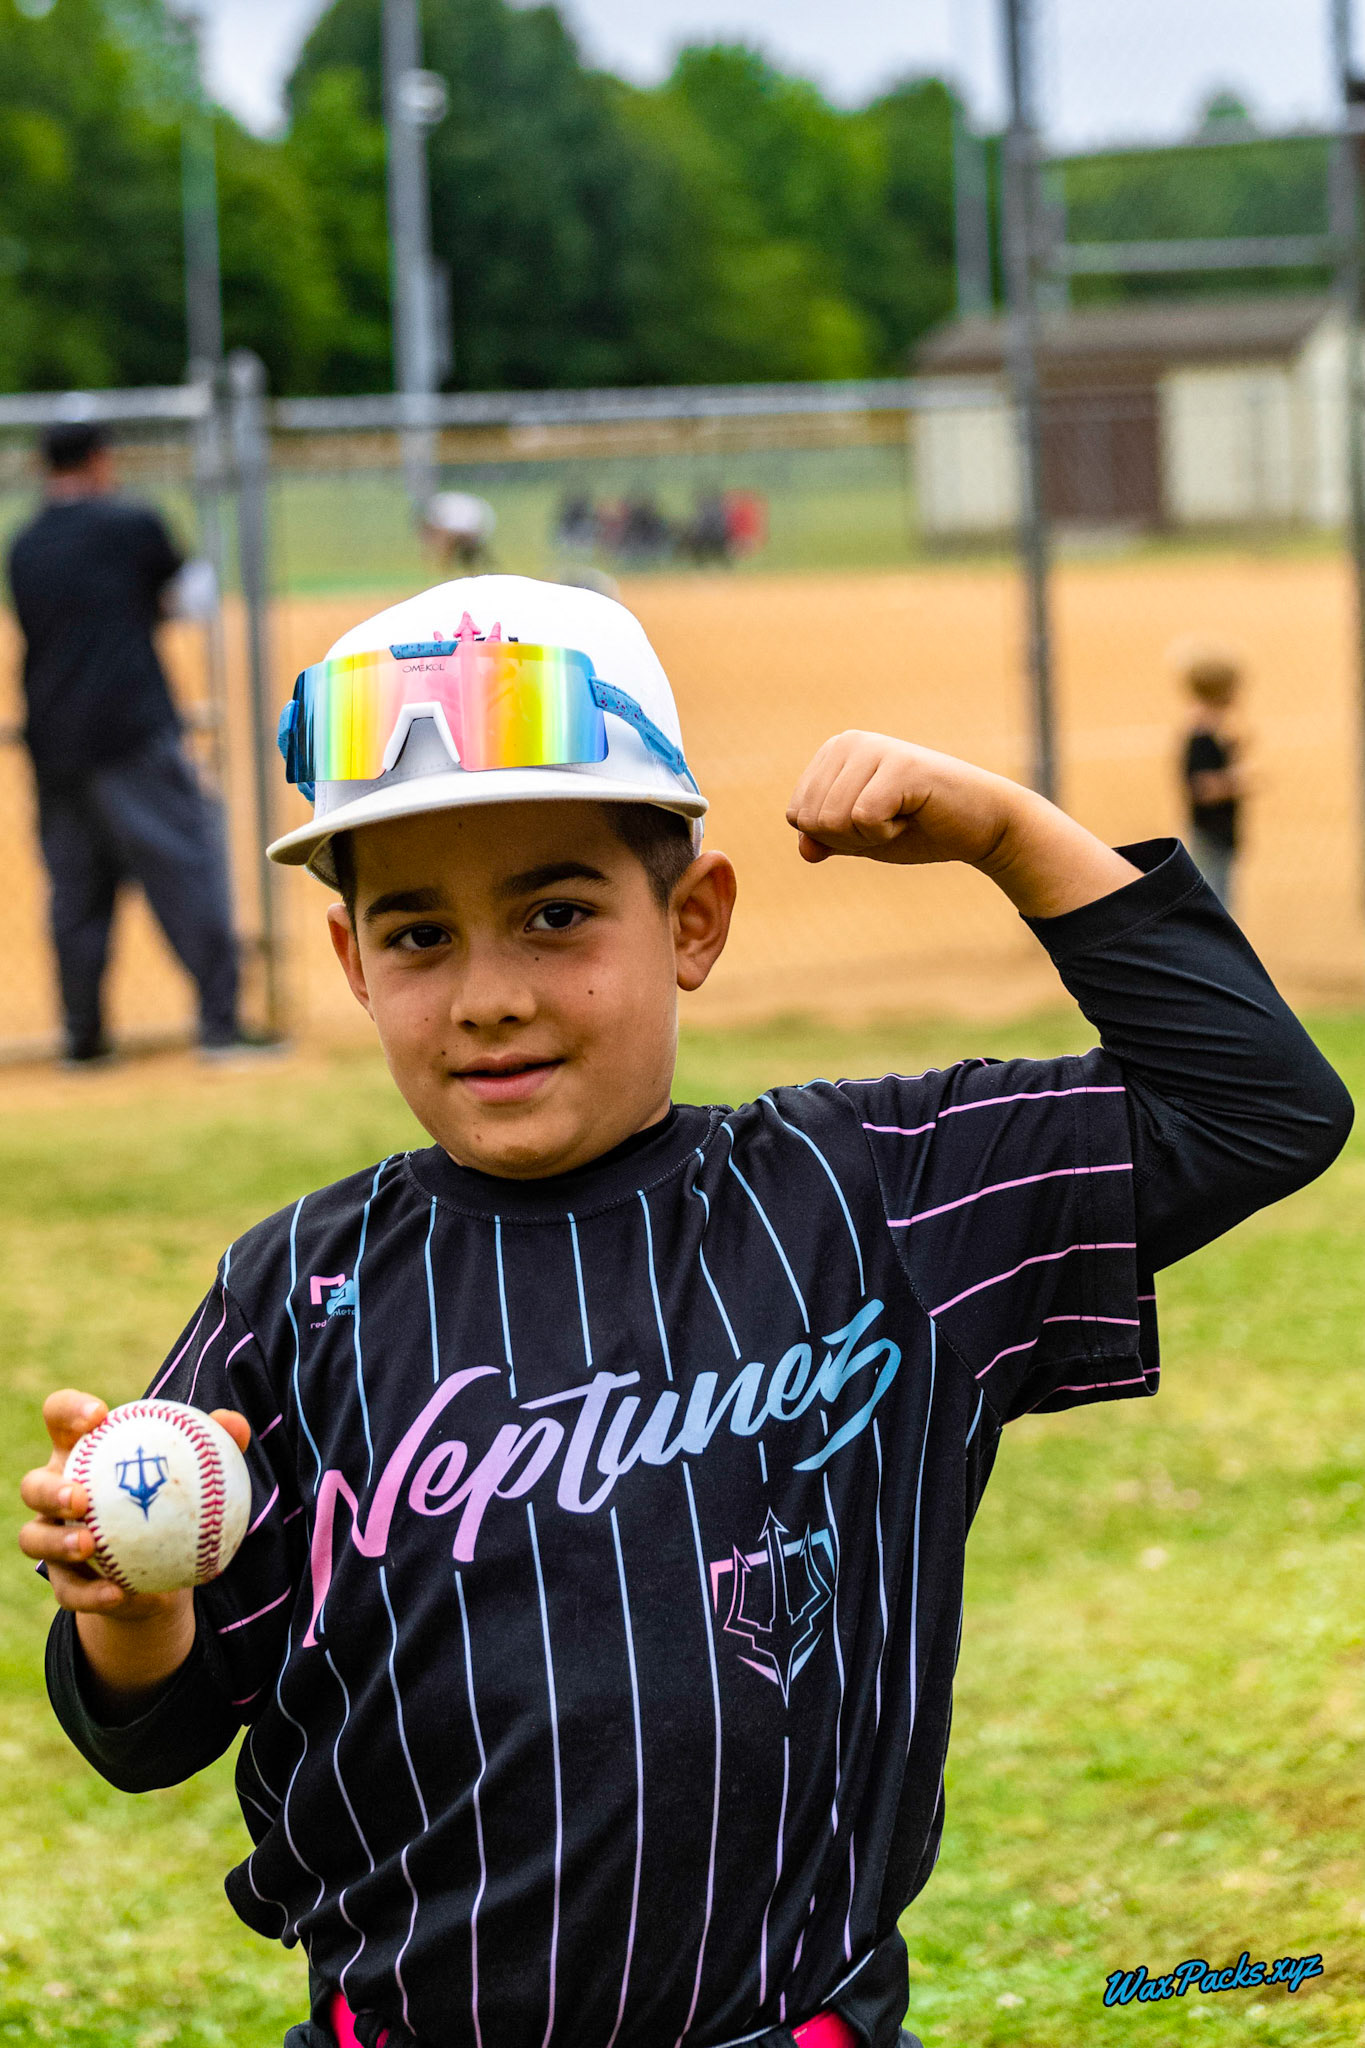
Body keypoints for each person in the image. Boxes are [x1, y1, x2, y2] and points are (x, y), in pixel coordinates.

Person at [18, 576, 1351, 2048]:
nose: (487, 995)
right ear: (351, 962)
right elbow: (152, 1727)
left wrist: (1005, 833)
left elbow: (1253, 1111)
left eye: (556, 912)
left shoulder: (866, 1205)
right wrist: (134, 1620)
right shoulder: (299, 1289)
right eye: (417, 936)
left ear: (694, 920)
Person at [6, 419, 258, 1063]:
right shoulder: (129, 524)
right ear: (99, 460)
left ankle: (83, 1039)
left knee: (77, 889)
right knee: (185, 865)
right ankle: (221, 1026)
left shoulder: (25, 544)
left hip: (53, 737)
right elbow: (189, 597)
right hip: (129, 727)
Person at [1177, 641, 1246, 910]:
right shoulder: (1201, 735)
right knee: (1215, 905)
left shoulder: (1213, 732)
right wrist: (1239, 782)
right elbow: (1203, 787)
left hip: (1219, 829)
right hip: (1210, 831)